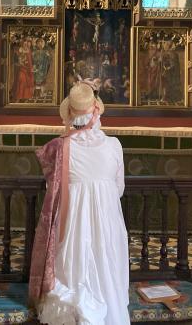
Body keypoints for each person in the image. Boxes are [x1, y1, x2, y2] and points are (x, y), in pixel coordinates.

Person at [29, 81, 129, 325]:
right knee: (107, 264)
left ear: (70, 115)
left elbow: (51, 189)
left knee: (74, 267)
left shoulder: (59, 148)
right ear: (96, 111)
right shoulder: (114, 146)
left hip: (73, 223)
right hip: (108, 221)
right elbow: (119, 189)